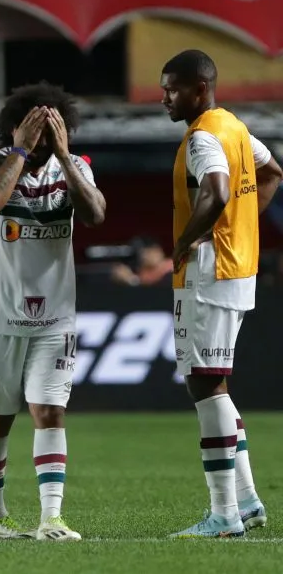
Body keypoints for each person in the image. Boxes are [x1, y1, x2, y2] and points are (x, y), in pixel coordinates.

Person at [0, 82, 106, 541]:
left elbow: (96, 214)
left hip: (55, 317)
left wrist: (64, 157)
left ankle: (51, 518)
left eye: (51, 133)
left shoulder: (74, 166)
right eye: (34, 133)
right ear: (13, 129)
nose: (43, 142)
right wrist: (20, 151)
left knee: (50, 412)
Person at [160, 50, 283, 538]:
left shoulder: (204, 136)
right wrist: (244, 226)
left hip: (209, 271)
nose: (165, 98)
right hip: (239, 267)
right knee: (216, 384)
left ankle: (224, 514)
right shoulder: (234, 127)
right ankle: (248, 502)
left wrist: (186, 241)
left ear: (200, 89)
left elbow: (214, 191)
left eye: (172, 89)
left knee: (203, 383)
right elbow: (273, 172)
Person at [109, 237, 173, 287]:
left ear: (158, 250)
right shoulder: (144, 273)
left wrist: (131, 279)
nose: (145, 256)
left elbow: (160, 287)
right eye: (143, 253)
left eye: (149, 252)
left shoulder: (172, 266)